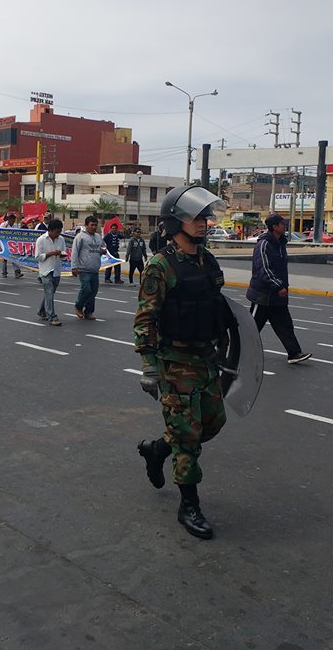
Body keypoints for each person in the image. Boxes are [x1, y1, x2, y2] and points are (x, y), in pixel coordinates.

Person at [134, 186, 230, 540]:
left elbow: (219, 307)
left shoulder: (207, 260)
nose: (204, 222)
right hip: (175, 361)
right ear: (175, 221)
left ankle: (157, 449)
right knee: (188, 438)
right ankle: (189, 505)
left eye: (205, 216)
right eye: (195, 217)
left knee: (213, 423)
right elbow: (145, 318)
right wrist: (149, 368)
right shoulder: (160, 266)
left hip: (206, 358)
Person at [246, 213, 311, 364]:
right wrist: (278, 286)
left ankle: (294, 353)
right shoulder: (264, 244)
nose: (285, 226)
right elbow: (263, 269)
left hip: (277, 296)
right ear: (274, 227)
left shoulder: (280, 243)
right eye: (282, 224)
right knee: (252, 327)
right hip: (263, 296)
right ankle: (238, 351)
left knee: (285, 325)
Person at [71, 215, 106, 319]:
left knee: (93, 292)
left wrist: (103, 251)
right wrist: (74, 267)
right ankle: (78, 306)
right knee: (86, 289)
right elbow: (74, 252)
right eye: (92, 225)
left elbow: (103, 247)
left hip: (95, 269)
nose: (94, 227)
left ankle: (89, 312)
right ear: (86, 225)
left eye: (95, 225)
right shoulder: (80, 237)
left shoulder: (98, 237)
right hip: (83, 269)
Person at [35, 218, 66, 326]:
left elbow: (64, 253)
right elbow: (38, 257)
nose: (58, 234)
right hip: (45, 270)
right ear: (50, 230)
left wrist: (61, 254)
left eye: (59, 232)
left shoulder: (61, 239)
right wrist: (51, 253)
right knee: (49, 292)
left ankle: (41, 310)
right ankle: (52, 316)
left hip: (56, 269)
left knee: (50, 293)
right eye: (57, 232)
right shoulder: (41, 240)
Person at [0, 213, 24, 278]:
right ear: (9, 220)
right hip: (4, 244)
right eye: (12, 220)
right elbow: (0, 233)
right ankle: (4, 272)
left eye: (14, 220)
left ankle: (17, 272)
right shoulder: (3, 225)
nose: (13, 222)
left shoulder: (16, 225)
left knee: (14, 258)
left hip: (13, 244)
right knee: (4, 259)